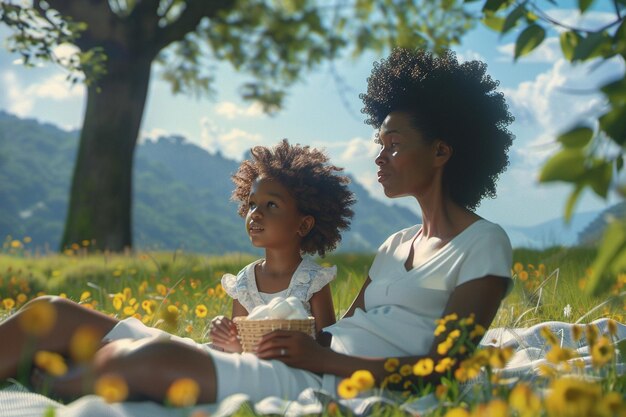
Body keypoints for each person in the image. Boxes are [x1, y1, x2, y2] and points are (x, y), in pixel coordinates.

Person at [0, 48, 515, 404]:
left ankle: (54, 383)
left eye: (393, 145)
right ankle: (64, 368)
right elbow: (329, 332)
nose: (378, 156)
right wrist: (259, 338)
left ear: (442, 151)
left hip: (329, 381)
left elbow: (442, 370)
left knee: (145, 358)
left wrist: (317, 358)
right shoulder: (395, 243)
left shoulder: (482, 244)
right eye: (379, 144)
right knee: (53, 312)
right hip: (303, 359)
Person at [209, 140, 355, 352]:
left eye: (271, 205)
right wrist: (227, 338)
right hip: (251, 370)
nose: (255, 213)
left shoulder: (314, 281)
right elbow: (238, 348)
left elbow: (327, 346)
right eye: (252, 204)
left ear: (303, 224)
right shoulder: (243, 282)